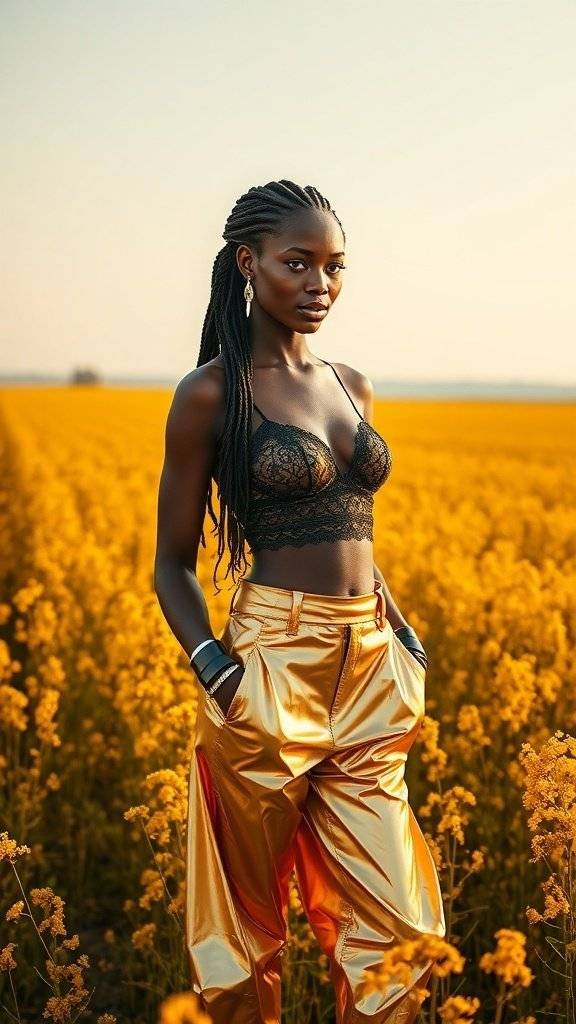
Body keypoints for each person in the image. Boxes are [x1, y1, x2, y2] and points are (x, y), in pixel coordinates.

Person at [154, 179, 445, 1024]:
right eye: (298, 263)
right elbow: (170, 566)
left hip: (372, 665)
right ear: (249, 264)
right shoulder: (211, 393)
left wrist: (404, 637)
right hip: (268, 665)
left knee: (402, 938)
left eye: (335, 265)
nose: (321, 283)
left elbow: (357, 531)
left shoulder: (352, 382)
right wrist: (217, 670)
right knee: (242, 936)